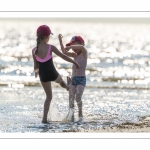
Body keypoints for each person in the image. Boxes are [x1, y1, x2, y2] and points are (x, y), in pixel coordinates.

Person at [32, 25, 79, 123]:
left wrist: (36, 73)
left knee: (48, 97)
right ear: (47, 37)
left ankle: (44, 119)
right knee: (61, 81)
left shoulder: (34, 50)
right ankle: (67, 87)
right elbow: (63, 56)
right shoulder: (50, 47)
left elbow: (36, 66)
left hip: (43, 76)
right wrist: (74, 62)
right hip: (52, 73)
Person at [58, 34, 88, 123]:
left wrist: (71, 46)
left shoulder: (84, 53)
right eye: (72, 46)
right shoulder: (74, 55)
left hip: (81, 79)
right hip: (73, 78)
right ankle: (71, 114)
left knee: (78, 96)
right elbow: (64, 52)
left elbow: (82, 47)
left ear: (81, 44)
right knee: (71, 97)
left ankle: (80, 113)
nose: (73, 48)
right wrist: (60, 41)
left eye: (75, 45)